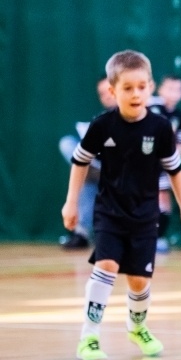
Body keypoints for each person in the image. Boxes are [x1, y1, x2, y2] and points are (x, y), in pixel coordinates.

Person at [62, 50, 181, 360]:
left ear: (151, 87)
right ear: (112, 91)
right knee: (106, 266)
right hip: (109, 211)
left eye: (142, 87)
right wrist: (71, 203)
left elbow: (175, 171)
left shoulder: (161, 128)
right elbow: (79, 162)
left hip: (145, 215)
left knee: (139, 281)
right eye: (127, 88)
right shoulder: (102, 126)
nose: (136, 94)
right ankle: (89, 337)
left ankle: (137, 327)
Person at [58, 76, 117, 249]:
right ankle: (81, 233)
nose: (106, 96)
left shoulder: (137, 118)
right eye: (102, 94)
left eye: (109, 91)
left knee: (86, 172)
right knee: (69, 146)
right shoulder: (100, 120)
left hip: (122, 172)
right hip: (98, 164)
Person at [148, 74, 181, 254]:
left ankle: (160, 237)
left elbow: (180, 145)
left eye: (178, 89)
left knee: (163, 198)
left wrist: (173, 164)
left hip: (164, 167)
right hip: (145, 165)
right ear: (159, 89)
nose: (173, 93)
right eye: (169, 88)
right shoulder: (150, 107)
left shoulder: (180, 117)